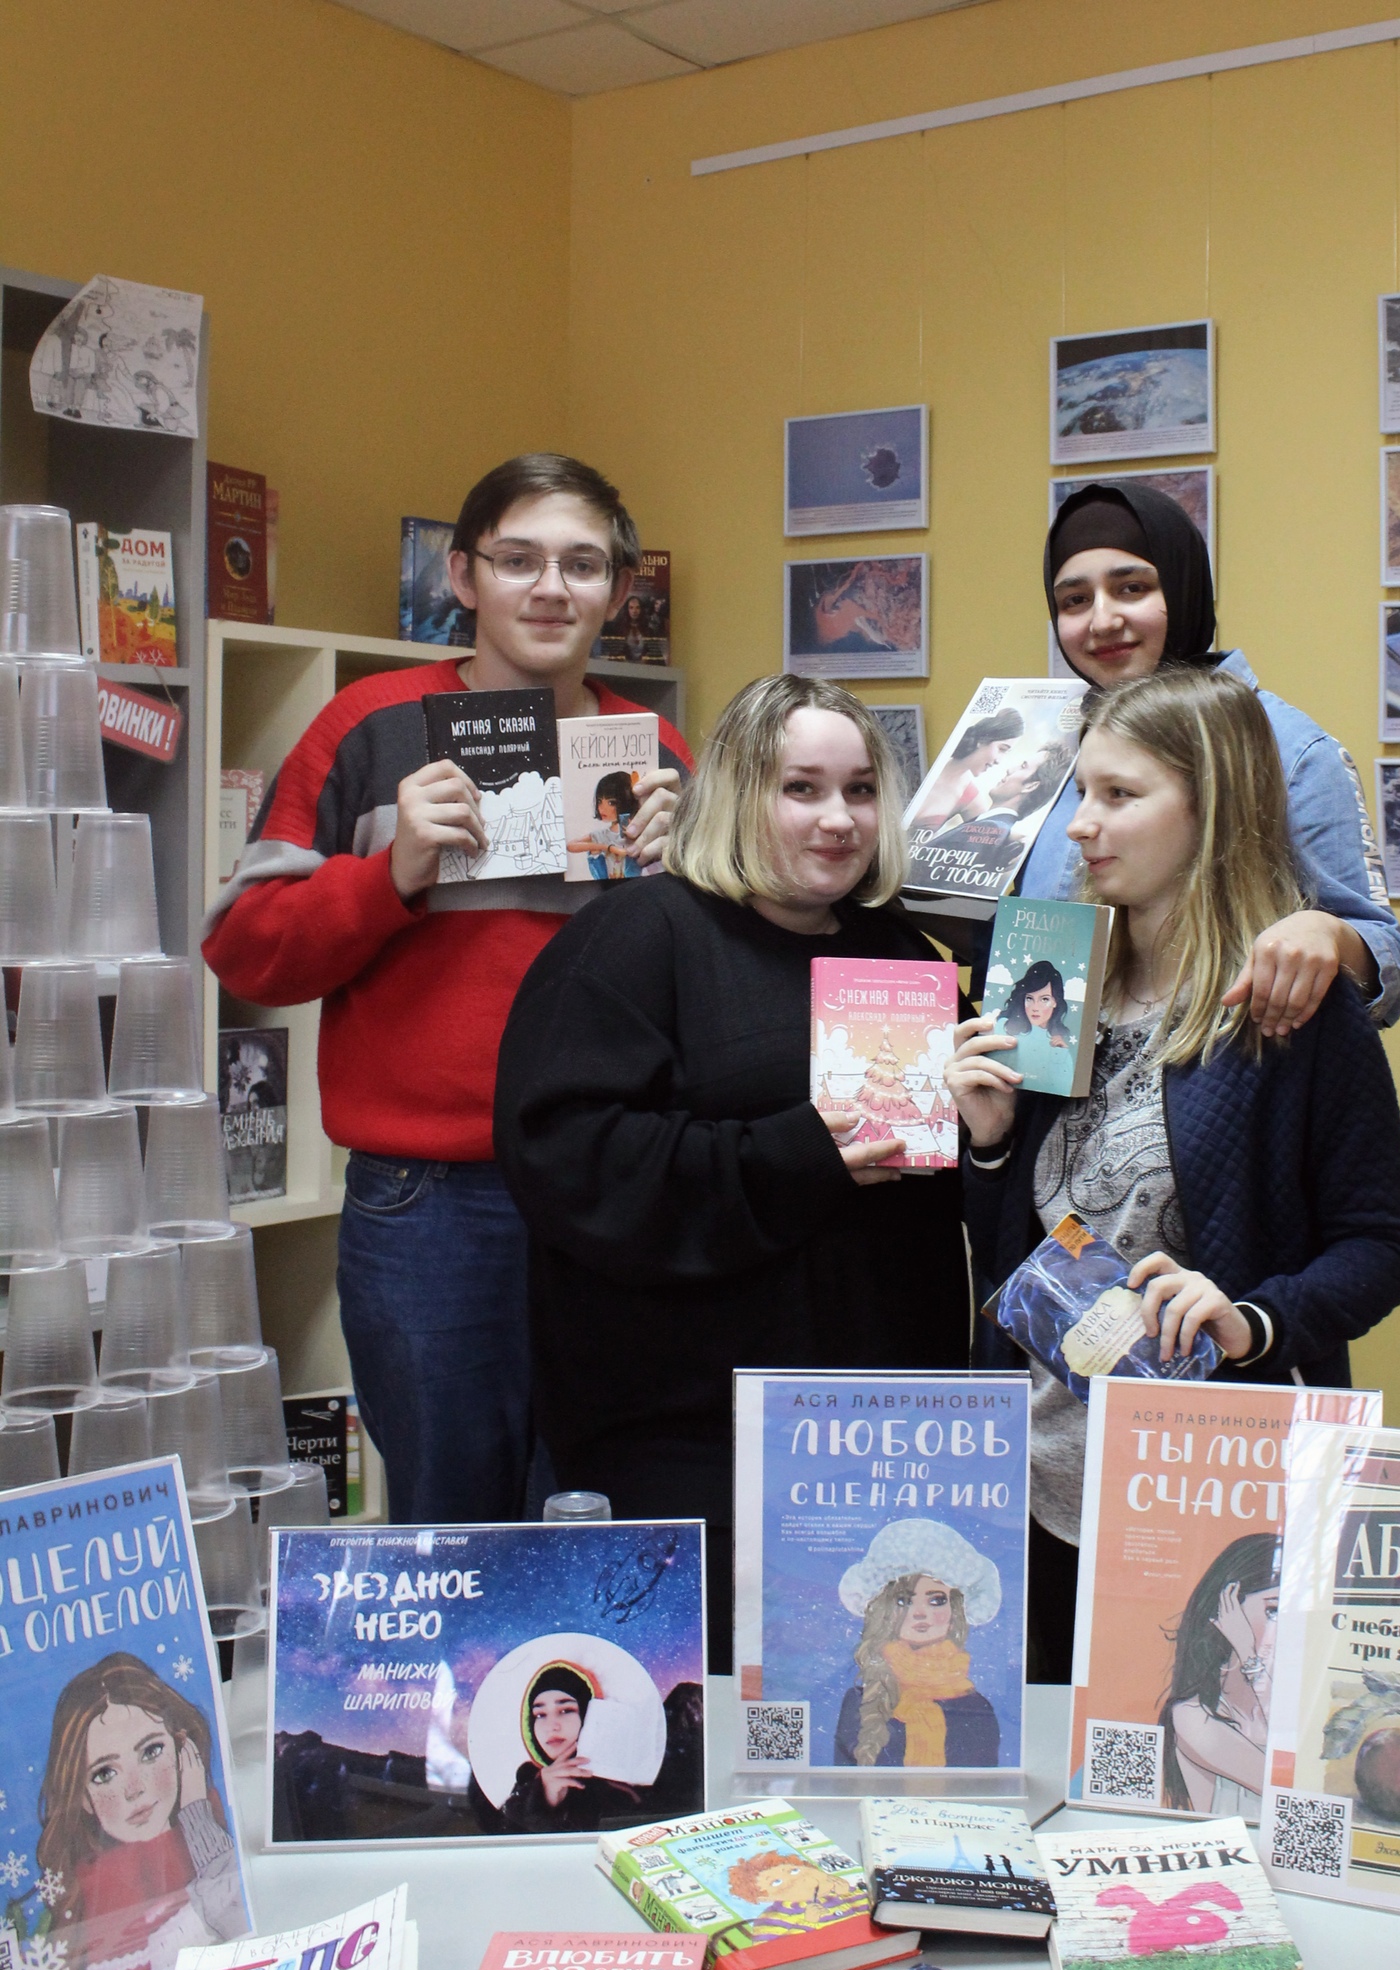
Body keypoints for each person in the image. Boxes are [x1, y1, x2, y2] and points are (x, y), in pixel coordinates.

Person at [203, 454, 691, 1525]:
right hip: (429, 1201)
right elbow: (245, 952)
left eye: (581, 565)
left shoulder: (654, 751)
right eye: (518, 561)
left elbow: (707, 982)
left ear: (618, 590)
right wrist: (391, 876)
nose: (550, 588)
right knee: (448, 1524)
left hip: (613, 1187)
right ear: (464, 577)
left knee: (600, 1513)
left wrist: (688, 877)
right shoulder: (367, 726)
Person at [948, 669, 1400, 1680]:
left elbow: (1380, 1247)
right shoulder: (1051, 977)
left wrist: (1251, 1320)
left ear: (1211, 809)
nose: (1081, 824)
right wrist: (987, 1143)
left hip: (1208, 1489)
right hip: (1031, 1482)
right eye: (1080, 791)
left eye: (1119, 795)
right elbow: (1008, 1254)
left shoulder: (1291, 1010)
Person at [493, 675, 969, 1672]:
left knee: (861, 1702)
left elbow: (940, 1183)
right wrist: (792, 1155)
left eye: (860, 790)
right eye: (801, 788)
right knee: (701, 1712)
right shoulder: (637, 938)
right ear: (736, 795)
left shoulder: (899, 952)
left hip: (875, 1441)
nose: (838, 818)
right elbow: (569, 1161)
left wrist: (987, 1132)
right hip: (688, 1435)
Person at [1024, 481, 1400, 1035]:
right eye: (1075, 600)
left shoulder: (1289, 750)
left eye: (1132, 588)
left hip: (1215, 1068)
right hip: (1052, 1071)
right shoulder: (1043, 745)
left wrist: (1326, 934)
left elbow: (1389, 967)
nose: (1102, 621)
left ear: (1182, 586)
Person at [36, 1652, 249, 1970]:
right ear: (82, 1797)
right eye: (104, 1774)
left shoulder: (210, 1822)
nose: (134, 1788)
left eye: (151, 1752)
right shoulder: (96, 1891)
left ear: (181, 1749)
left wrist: (197, 1817)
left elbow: (240, 1924)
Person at [833, 1520, 1003, 1768]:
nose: (920, 1613)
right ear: (884, 1610)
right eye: (904, 1600)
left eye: (936, 1600)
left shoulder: (976, 1708)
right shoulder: (861, 1701)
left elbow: (984, 1785)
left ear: (955, 1609)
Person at [1157, 1532, 1280, 1818]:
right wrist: (1248, 1653)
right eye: (1273, 1610)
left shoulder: (1288, 1702)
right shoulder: (1193, 1716)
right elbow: (1290, 1787)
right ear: (1226, 1612)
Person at [499, 1661, 639, 1833]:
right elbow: (501, 1839)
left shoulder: (623, 1784)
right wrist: (543, 1799)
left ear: (589, 1715)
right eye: (540, 1714)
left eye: (566, 1710)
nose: (551, 1726)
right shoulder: (526, 1782)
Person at [911, 707, 1023, 829]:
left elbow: (990, 832)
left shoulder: (970, 797)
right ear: (983, 739)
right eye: (1001, 749)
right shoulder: (924, 759)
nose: (998, 761)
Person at [726, 1849, 871, 1936]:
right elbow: (775, 1952)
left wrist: (848, 1895)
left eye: (794, 1870)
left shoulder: (836, 1893)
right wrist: (807, 1923)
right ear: (764, 1897)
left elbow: (872, 1919)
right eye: (777, 1882)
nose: (797, 1879)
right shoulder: (771, 1919)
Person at [996, 959, 1076, 1094]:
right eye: (1029, 998)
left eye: (1044, 999)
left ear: (1055, 1001)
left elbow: (1064, 1088)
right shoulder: (1003, 1026)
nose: (1035, 1007)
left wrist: (1060, 1056)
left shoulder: (1059, 1047)